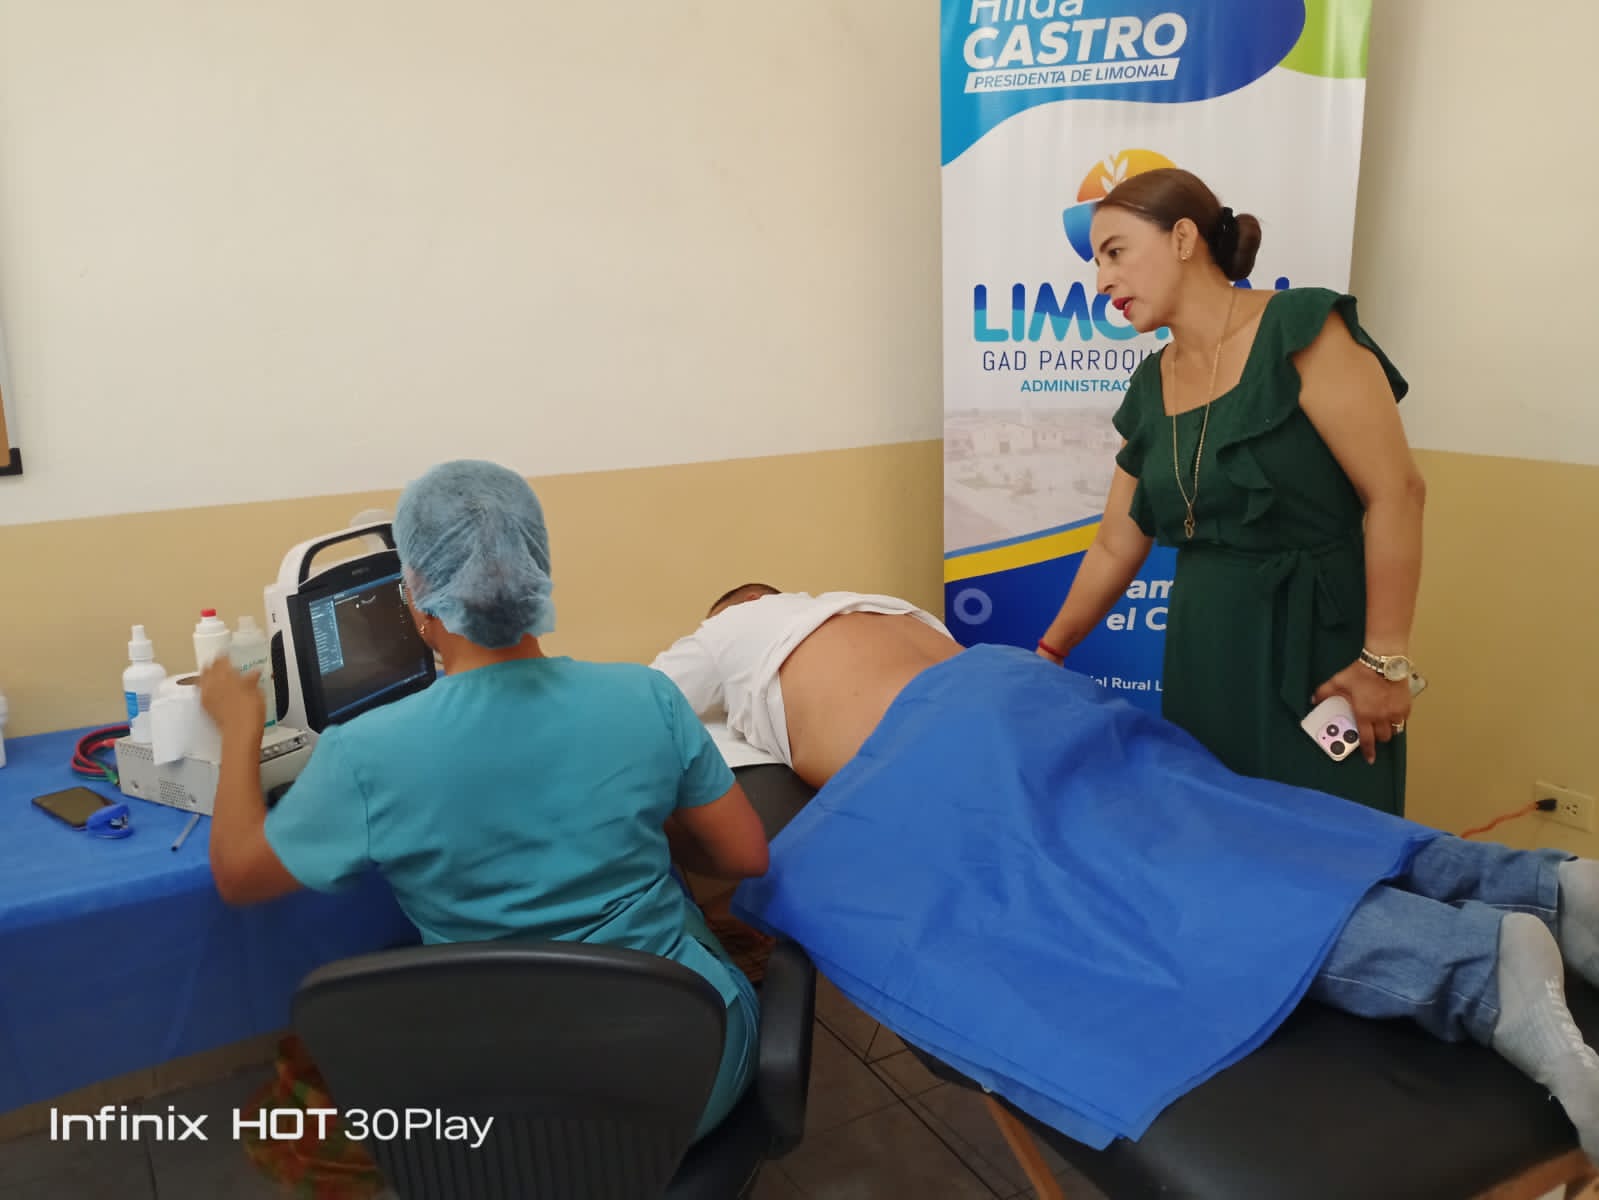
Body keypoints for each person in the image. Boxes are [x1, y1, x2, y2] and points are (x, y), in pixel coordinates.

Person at [651, 586, 1599, 1157]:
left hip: (943, 744)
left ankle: (1472, 969)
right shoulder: (874, 605)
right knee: (1220, 819)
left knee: (1135, 896)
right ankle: (1543, 885)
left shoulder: (736, 628)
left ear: (733, 609)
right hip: (1016, 686)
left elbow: (646, 707)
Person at [198, 460, 770, 1142]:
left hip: (503, 1116)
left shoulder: (365, 751)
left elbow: (238, 874)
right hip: (689, 1081)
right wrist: (639, 812)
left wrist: (241, 730)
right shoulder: (646, 696)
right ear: (538, 572)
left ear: (416, 595)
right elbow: (744, 855)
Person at [1035, 168, 1427, 816]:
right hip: (1205, 649)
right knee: (1217, 829)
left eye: (1115, 252)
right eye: (1097, 262)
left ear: (1183, 238)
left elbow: (1397, 494)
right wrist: (1050, 651)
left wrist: (1385, 660)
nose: (1101, 280)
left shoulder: (1300, 329)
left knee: (1329, 834)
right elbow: (1114, 545)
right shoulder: (1149, 385)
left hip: (1320, 649)